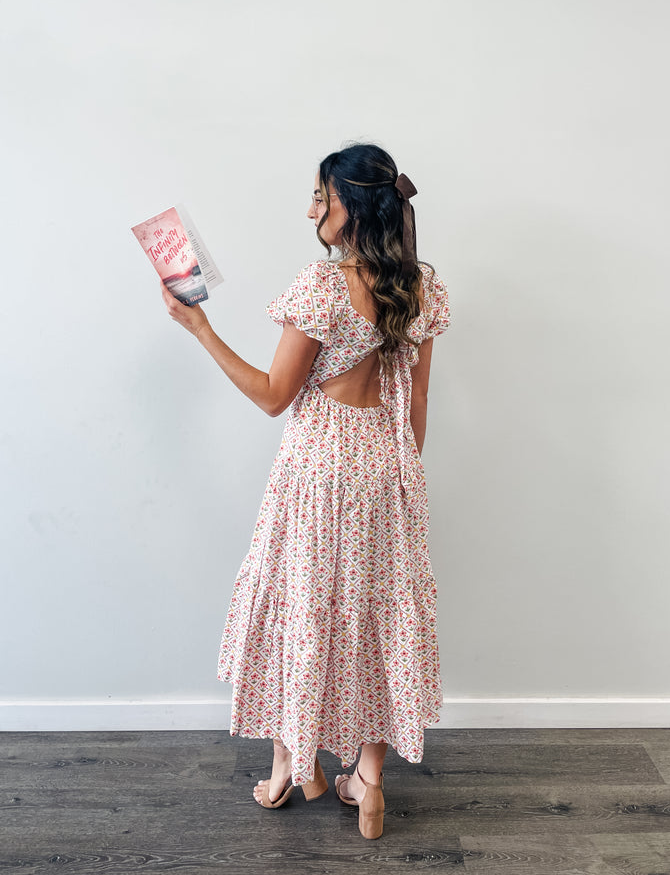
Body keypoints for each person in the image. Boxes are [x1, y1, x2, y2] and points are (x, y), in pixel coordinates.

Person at [161, 143, 450, 839]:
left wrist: (200, 328)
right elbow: (416, 403)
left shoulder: (323, 287)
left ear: (354, 206)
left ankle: (294, 764)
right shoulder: (421, 286)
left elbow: (273, 395)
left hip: (320, 468)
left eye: (323, 196)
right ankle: (369, 781)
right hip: (388, 468)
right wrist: (398, 477)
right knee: (380, 619)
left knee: (302, 607)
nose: (312, 209)